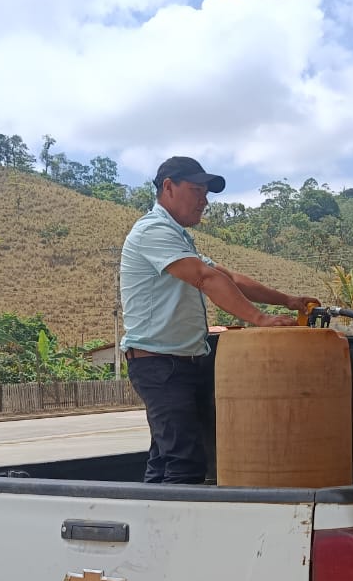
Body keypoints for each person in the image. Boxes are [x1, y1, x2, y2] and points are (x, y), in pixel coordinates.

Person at [120, 156, 319, 484]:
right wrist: (259, 319)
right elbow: (206, 278)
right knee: (184, 463)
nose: (204, 201)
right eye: (196, 190)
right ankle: (173, 517)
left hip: (180, 363)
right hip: (160, 365)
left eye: (206, 193)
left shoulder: (178, 238)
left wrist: (287, 300)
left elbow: (229, 278)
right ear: (168, 187)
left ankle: (153, 512)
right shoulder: (153, 230)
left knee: (166, 459)